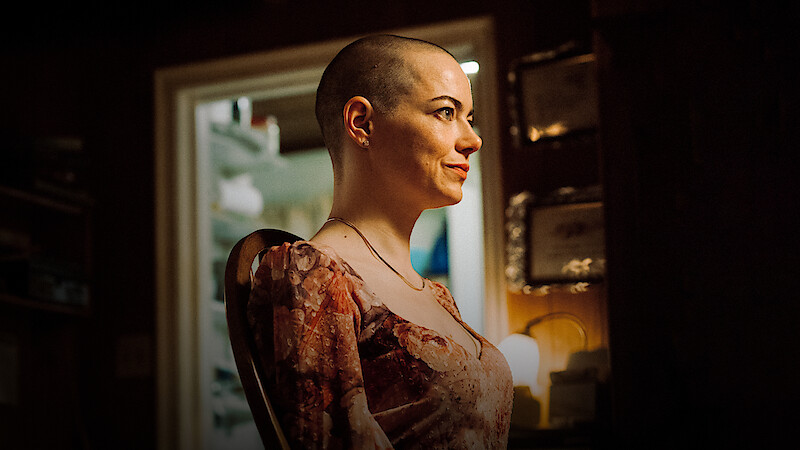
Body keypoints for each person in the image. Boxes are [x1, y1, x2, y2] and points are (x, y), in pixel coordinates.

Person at [247, 34, 513, 449]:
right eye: (446, 112)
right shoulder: (311, 273)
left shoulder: (438, 296)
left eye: (469, 117)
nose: (472, 140)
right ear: (361, 123)